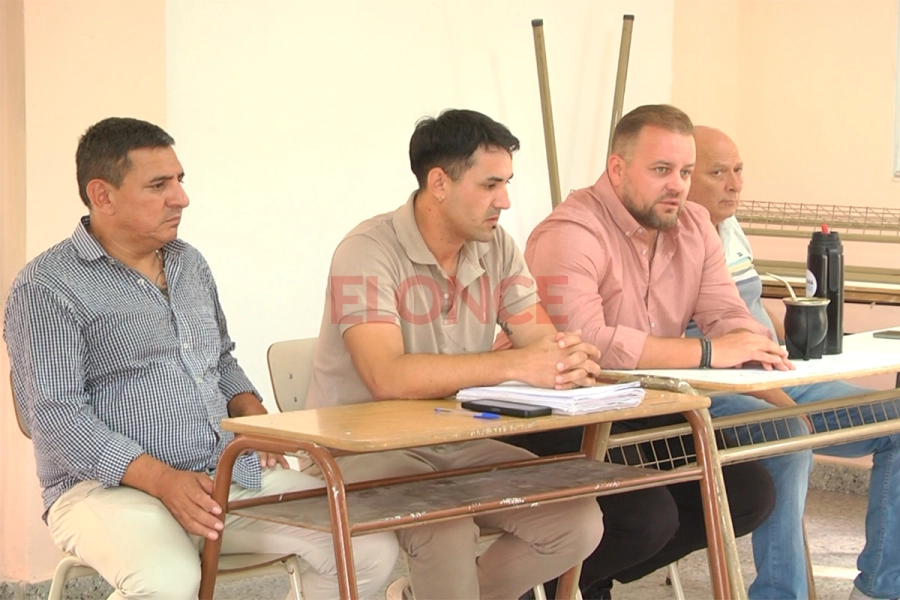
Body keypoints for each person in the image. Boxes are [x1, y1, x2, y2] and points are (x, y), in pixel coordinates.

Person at [3, 117, 399, 600]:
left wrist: (252, 411)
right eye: (158, 185)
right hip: (104, 492)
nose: (181, 198)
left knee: (368, 547)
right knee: (167, 582)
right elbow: (56, 418)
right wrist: (161, 479)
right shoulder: (48, 285)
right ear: (102, 195)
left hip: (219, 475)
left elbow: (221, 359)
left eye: (180, 181)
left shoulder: (189, 264)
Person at [305, 108, 605, 600]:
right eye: (490, 185)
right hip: (361, 450)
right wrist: (513, 363)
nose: (505, 201)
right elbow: (386, 377)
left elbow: (541, 342)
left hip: (456, 437)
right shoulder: (365, 250)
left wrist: (567, 358)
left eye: (507, 183)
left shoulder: (496, 246)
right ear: (439, 183)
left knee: (575, 518)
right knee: (444, 526)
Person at [500, 104, 780, 599]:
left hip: (641, 407)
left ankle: (579, 581)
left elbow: (727, 312)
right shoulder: (571, 232)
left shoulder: (694, 224)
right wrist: (713, 351)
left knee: (748, 494)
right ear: (617, 169)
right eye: (661, 170)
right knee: (648, 518)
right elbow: (588, 346)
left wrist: (753, 345)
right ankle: (534, 587)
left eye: (686, 172)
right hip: (558, 414)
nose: (678, 185)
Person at [686, 125, 900, 600]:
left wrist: (802, 343)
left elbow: (753, 312)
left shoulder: (729, 225)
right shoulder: (678, 240)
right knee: (790, 435)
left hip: (773, 373)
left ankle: (883, 588)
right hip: (722, 390)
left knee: (896, 422)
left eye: (738, 170)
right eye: (717, 172)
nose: (734, 184)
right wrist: (784, 398)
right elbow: (709, 351)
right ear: (682, 176)